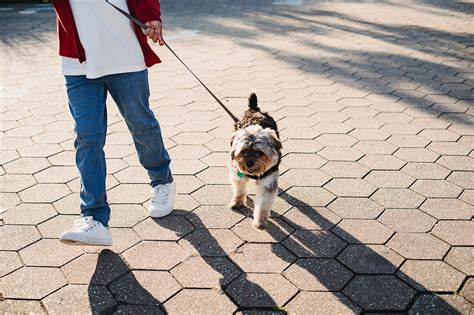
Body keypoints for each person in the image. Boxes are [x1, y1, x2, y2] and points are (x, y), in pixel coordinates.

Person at [51, 0, 175, 246]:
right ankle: (94, 218)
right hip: (79, 62)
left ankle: (162, 180)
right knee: (87, 137)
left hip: (124, 55)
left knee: (141, 124)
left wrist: (150, 16)